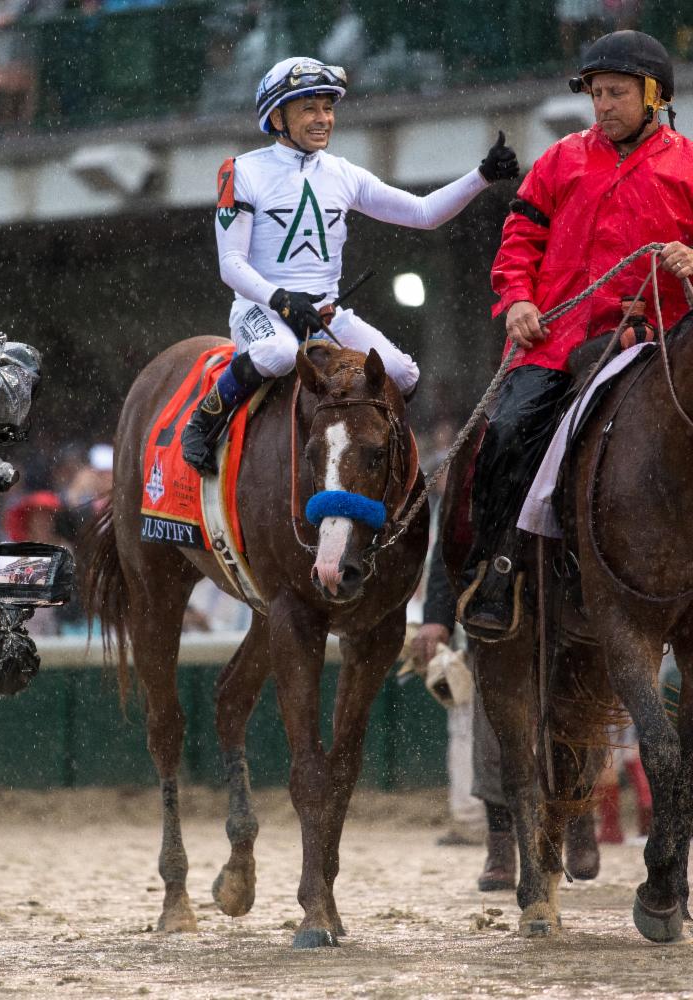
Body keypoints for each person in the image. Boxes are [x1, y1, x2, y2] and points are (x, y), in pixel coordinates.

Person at [458, 30, 693, 637]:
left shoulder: (688, 166)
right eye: (596, 94)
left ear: (654, 96)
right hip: (555, 340)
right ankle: (496, 569)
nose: (604, 106)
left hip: (653, 345)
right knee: (506, 431)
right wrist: (516, 300)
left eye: (617, 93)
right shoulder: (561, 159)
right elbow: (519, 241)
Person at [181, 56, 519, 474]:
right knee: (279, 353)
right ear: (277, 116)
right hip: (261, 311)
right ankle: (203, 421)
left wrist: (482, 176)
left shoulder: (345, 174)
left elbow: (423, 213)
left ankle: (381, 465)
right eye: (309, 109)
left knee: (403, 373)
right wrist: (281, 299)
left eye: (328, 108)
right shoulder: (242, 171)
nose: (323, 119)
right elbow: (230, 265)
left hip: (325, 316)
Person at [413, 516, 600, 889]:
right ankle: (500, 848)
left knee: (574, 716)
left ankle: (578, 824)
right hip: (498, 602)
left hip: (567, 594)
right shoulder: (475, 460)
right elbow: (454, 541)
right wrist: (436, 617)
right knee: (493, 733)